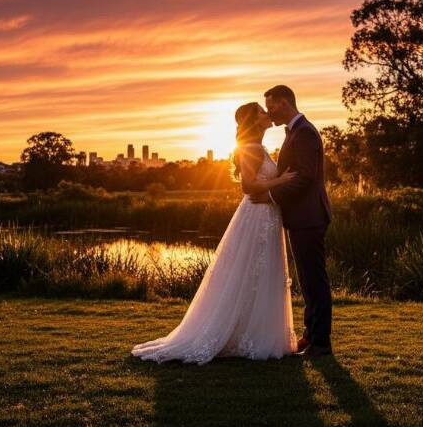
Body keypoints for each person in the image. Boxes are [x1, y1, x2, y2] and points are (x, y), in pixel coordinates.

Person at [131, 102, 297, 364]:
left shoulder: (258, 147)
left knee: (260, 273)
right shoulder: (251, 148)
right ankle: (239, 334)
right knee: (251, 270)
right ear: (254, 121)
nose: (268, 114)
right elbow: (248, 186)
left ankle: (254, 333)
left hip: (266, 216)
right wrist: (280, 181)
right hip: (256, 219)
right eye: (262, 112)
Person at [252, 85, 333, 357]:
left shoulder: (305, 133)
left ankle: (321, 342)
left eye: (272, 106)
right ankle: (311, 336)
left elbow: (306, 176)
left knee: (315, 280)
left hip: (309, 216)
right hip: (302, 217)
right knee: (308, 280)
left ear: (285, 103)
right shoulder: (295, 132)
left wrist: (271, 196)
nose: (269, 112)